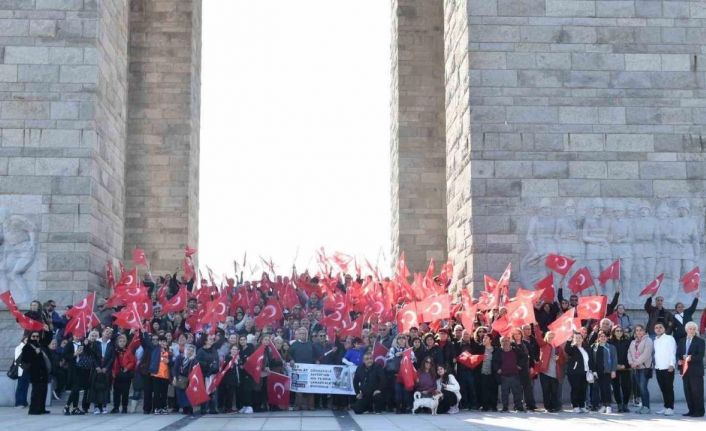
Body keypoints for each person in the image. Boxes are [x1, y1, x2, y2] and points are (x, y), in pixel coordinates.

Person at [677, 321, 704, 417]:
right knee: (688, 392)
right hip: (685, 371)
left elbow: (700, 356)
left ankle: (699, 411)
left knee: (697, 392)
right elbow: (678, 354)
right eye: (690, 328)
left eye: (693, 329)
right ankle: (691, 410)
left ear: (696, 330)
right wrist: (679, 360)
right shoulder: (682, 341)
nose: (691, 330)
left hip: (696, 371)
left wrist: (690, 358)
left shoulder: (700, 341)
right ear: (686, 330)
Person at [493, 336, 525, 413]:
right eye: (503, 341)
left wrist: (520, 365)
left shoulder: (516, 350)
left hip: (515, 375)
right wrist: (498, 369)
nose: (505, 342)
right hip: (504, 376)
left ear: (510, 341)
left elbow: (524, 357)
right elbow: (494, 361)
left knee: (517, 392)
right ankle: (505, 407)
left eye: (506, 341)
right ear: (500, 343)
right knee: (504, 393)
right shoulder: (498, 351)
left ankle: (519, 407)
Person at [22, 331, 51, 415]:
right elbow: (26, 360)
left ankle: (41, 408)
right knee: (36, 392)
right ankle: (34, 409)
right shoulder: (27, 347)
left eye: (37, 336)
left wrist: (47, 330)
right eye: (33, 336)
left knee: (43, 391)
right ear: (30, 337)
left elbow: (47, 340)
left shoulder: (39, 345)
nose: (35, 338)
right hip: (35, 373)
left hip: (43, 372)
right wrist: (35, 353)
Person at [536, 329, 564, 413]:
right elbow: (538, 337)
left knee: (554, 391)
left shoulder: (558, 348)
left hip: (555, 373)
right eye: (549, 337)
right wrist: (535, 325)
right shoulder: (543, 345)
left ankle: (554, 406)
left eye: (553, 337)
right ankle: (547, 407)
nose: (551, 338)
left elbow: (563, 360)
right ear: (546, 338)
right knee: (546, 391)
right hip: (545, 372)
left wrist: (559, 359)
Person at [628, 324, 653, 414]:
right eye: (637, 330)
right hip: (636, 368)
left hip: (644, 368)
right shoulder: (633, 342)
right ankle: (643, 406)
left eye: (640, 330)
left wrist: (635, 363)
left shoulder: (648, 340)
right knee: (640, 388)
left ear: (644, 331)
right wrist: (631, 362)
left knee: (643, 387)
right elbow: (629, 353)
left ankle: (647, 407)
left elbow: (646, 354)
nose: (638, 332)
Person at [288, 327, 316, 410]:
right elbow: (289, 354)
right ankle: (297, 406)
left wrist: (316, 361)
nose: (303, 335)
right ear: (298, 335)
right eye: (301, 333)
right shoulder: (294, 344)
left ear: (307, 335)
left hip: (309, 370)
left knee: (310, 388)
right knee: (299, 389)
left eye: (304, 333)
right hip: (298, 370)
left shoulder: (311, 344)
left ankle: (311, 406)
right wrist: (291, 360)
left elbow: (315, 356)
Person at [565, 332, 593, 413]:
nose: (578, 339)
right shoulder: (572, 347)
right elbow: (567, 350)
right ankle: (575, 406)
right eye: (576, 338)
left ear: (582, 339)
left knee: (583, 389)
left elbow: (590, 360)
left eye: (579, 338)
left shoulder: (586, 348)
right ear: (574, 339)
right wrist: (568, 341)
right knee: (575, 389)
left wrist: (592, 370)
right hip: (574, 373)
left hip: (585, 372)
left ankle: (582, 405)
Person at [653, 322, 676, 416]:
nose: (658, 329)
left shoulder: (669, 338)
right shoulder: (655, 340)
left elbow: (672, 352)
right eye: (656, 327)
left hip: (668, 367)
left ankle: (670, 408)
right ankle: (666, 407)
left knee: (669, 388)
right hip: (658, 367)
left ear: (664, 329)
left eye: (660, 327)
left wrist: (672, 364)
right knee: (663, 389)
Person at [591, 330, 617, 413]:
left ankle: (608, 405)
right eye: (601, 336)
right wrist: (594, 371)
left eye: (604, 336)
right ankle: (603, 405)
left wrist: (613, 370)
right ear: (598, 337)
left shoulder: (611, 347)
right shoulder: (594, 347)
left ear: (607, 338)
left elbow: (614, 359)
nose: (602, 338)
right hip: (598, 372)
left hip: (607, 371)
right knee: (601, 389)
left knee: (607, 388)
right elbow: (591, 360)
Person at [386, 334, 414, 413]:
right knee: (398, 392)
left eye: (403, 338)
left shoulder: (408, 349)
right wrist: (396, 355)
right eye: (400, 338)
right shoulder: (393, 349)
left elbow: (414, 359)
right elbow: (387, 358)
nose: (401, 340)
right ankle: (398, 407)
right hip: (396, 374)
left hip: (406, 374)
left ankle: (404, 408)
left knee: (406, 392)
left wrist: (407, 356)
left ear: (406, 340)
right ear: (397, 340)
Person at [111, 334, 137, 414]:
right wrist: (113, 372)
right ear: (117, 342)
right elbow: (111, 362)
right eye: (120, 341)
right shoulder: (114, 351)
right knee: (116, 392)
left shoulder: (128, 351)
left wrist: (127, 368)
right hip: (117, 373)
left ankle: (124, 407)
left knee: (125, 392)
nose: (122, 343)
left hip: (126, 373)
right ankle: (116, 407)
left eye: (123, 341)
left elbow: (133, 361)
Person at [608, 326, 632, 412]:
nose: (619, 332)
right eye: (617, 331)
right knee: (616, 387)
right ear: (614, 332)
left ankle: (625, 404)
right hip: (614, 368)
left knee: (627, 387)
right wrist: (615, 365)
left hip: (625, 368)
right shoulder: (609, 342)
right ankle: (619, 405)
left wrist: (625, 365)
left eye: (620, 330)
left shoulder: (627, 341)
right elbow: (608, 356)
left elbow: (630, 354)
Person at [92, 327, 115, 414]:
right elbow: (93, 356)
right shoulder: (96, 343)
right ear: (102, 332)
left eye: (109, 333)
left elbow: (112, 358)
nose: (108, 334)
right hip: (97, 369)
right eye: (106, 332)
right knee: (96, 387)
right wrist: (97, 366)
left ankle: (104, 406)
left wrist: (106, 367)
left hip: (106, 369)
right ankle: (96, 406)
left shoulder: (111, 344)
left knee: (106, 387)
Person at [173, 343, 198, 416]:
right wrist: (175, 377)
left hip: (189, 379)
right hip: (180, 378)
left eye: (192, 351)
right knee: (180, 394)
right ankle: (185, 408)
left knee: (188, 395)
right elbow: (175, 368)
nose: (190, 352)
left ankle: (189, 409)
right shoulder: (180, 357)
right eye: (188, 350)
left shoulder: (194, 360)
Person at [151, 335, 172, 414]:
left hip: (165, 375)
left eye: (164, 341)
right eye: (161, 341)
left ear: (167, 342)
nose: (163, 343)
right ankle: (156, 408)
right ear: (159, 342)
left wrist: (169, 361)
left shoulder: (169, 351)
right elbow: (146, 342)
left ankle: (164, 407)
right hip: (156, 375)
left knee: (164, 393)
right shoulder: (155, 349)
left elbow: (172, 363)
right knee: (156, 392)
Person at [479, 333, 498, 412]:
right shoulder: (480, 348)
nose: (484, 339)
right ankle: (485, 406)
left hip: (492, 372)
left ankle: (493, 406)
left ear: (490, 340)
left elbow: (498, 360)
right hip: (483, 372)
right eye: (483, 338)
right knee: (484, 390)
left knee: (493, 389)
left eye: (486, 338)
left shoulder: (495, 349)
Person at [14, 335, 29, 408]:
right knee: (20, 386)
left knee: (26, 386)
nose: (27, 341)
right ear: (23, 340)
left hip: (28, 370)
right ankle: (19, 402)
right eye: (26, 340)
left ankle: (24, 401)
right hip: (22, 369)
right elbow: (17, 360)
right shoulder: (19, 347)